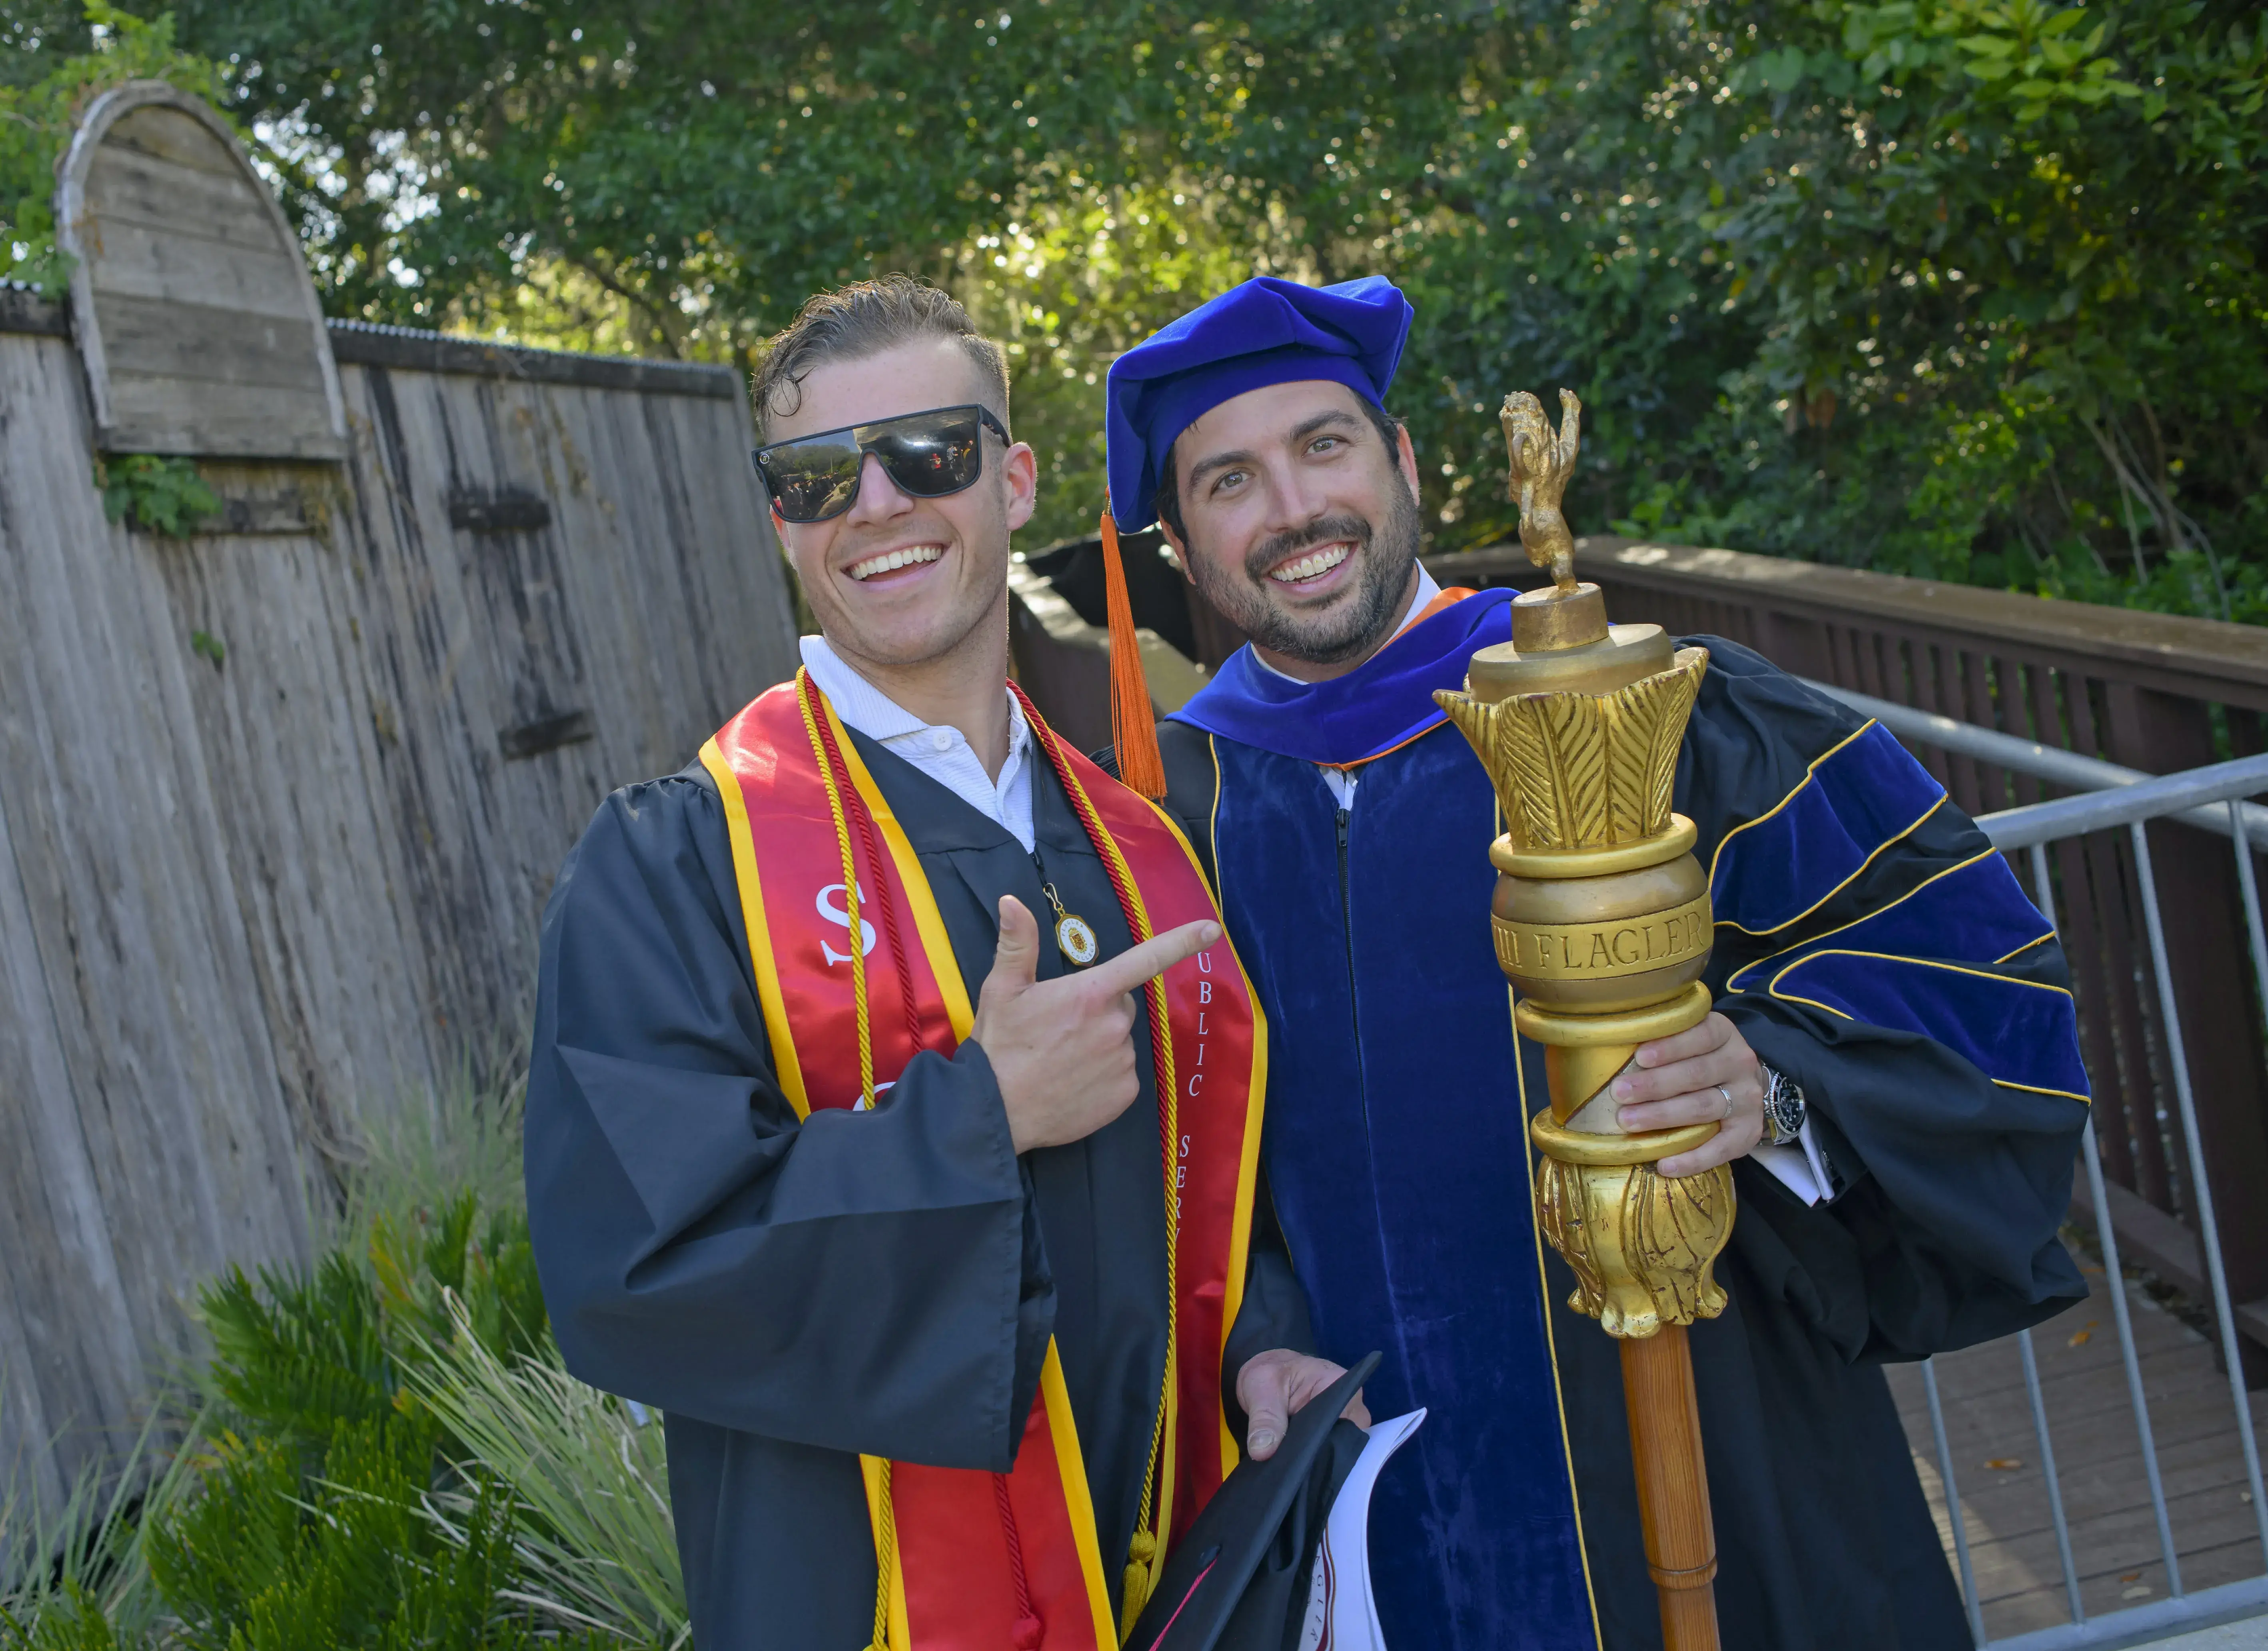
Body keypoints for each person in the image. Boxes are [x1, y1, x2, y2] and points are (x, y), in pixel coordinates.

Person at [1099, 274, 2091, 1651]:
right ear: (1181, 548)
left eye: (1325, 446)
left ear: (1401, 464)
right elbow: (1156, 1164)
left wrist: (1779, 1080)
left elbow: (1975, 969)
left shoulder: (1645, 702)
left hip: (1705, 1430)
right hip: (1370, 1490)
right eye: (1228, 481)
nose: (1292, 511)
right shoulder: (1158, 819)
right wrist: (1256, 1329)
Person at [523, 276, 1350, 1651]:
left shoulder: (1148, 840)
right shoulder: (682, 866)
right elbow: (632, 1276)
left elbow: (1217, 1183)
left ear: (1015, 481)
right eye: (816, 476)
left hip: (1177, 1585)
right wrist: (981, 1121)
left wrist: (1258, 1336)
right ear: (782, 518)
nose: (878, 504)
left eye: (932, 454)